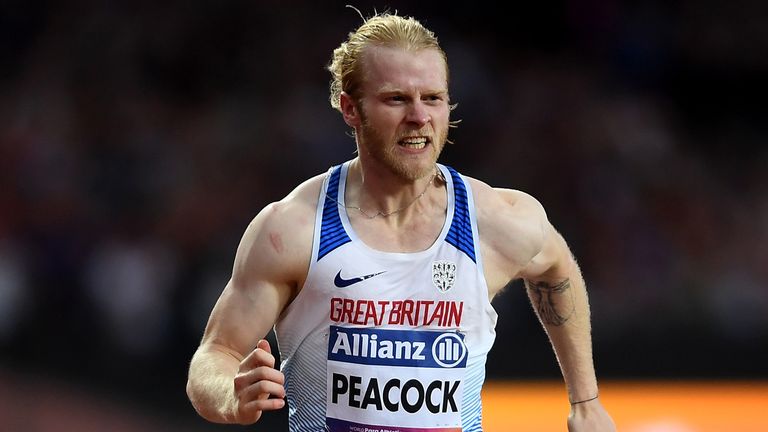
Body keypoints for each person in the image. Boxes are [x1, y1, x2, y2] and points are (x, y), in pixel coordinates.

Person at [186, 11, 616, 432]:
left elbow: (556, 269)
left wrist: (586, 401)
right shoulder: (294, 229)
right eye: (397, 99)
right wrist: (231, 396)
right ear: (350, 109)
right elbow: (215, 355)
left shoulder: (495, 221)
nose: (419, 116)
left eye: (433, 98)